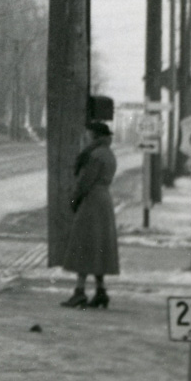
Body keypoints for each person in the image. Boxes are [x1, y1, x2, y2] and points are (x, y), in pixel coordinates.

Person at [61, 120, 120, 308]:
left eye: (88, 133)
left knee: (84, 246)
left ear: (94, 135)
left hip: (91, 202)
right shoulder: (108, 154)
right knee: (98, 248)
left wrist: (73, 199)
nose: (86, 136)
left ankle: (79, 292)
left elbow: (84, 182)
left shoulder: (94, 155)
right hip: (104, 202)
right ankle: (101, 291)